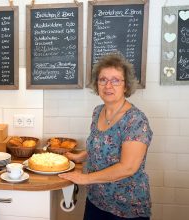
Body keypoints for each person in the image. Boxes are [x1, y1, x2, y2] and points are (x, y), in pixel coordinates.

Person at [59, 53, 153, 220]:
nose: (108, 85)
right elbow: (101, 143)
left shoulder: (135, 120)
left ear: (126, 86)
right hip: (96, 200)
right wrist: (81, 155)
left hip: (125, 208)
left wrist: (85, 178)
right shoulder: (98, 111)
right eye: (103, 80)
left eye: (116, 80)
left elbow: (128, 167)